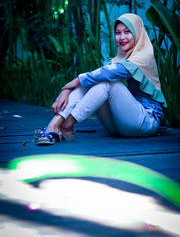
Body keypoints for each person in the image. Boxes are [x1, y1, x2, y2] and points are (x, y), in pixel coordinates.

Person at [35, 13, 167, 145]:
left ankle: (66, 125)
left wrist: (76, 80)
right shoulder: (119, 58)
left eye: (127, 32)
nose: (122, 37)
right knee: (97, 81)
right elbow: (95, 77)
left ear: (137, 33)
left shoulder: (144, 56)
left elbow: (109, 74)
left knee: (109, 83)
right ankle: (54, 125)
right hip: (119, 126)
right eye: (118, 33)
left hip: (146, 122)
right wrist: (66, 89)